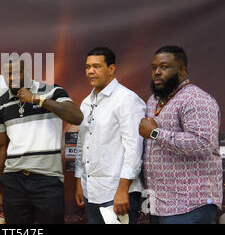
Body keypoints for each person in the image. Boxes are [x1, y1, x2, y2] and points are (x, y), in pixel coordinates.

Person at [0, 58, 83, 224]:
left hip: (47, 180)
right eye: (7, 74)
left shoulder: (52, 91)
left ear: (28, 73)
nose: (12, 78)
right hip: (14, 182)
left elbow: (76, 117)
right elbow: (0, 147)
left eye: (17, 73)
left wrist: (37, 99)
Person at [139, 45, 222, 224]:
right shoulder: (153, 100)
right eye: (154, 68)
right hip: (158, 204)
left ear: (182, 71)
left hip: (190, 204)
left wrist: (154, 133)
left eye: (164, 67)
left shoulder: (196, 99)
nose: (157, 72)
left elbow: (202, 143)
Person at [74, 47, 145, 224]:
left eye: (96, 66)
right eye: (87, 66)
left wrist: (123, 190)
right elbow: (82, 145)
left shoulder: (126, 99)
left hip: (117, 194)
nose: (90, 71)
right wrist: (79, 183)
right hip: (91, 192)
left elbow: (134, 149)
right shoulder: (86, 102)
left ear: (111, 69)